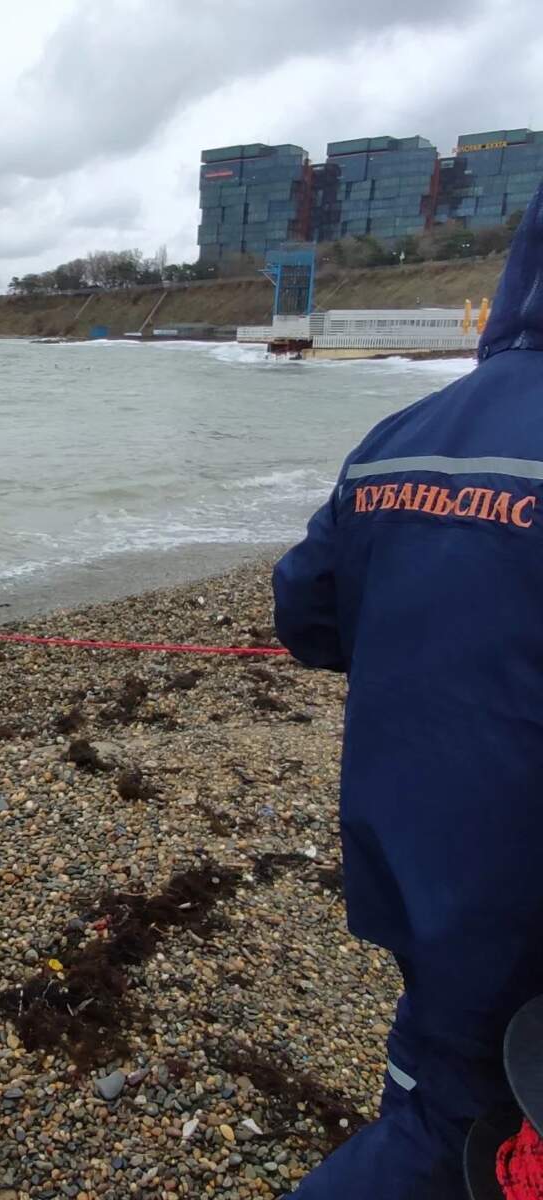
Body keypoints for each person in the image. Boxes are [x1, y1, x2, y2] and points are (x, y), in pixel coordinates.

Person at [273, 179, 543, 1199]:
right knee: (454, 1123)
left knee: (444, 1118)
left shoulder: (396, 442)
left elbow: (306, 616)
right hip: (489, 900)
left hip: (439, 884)